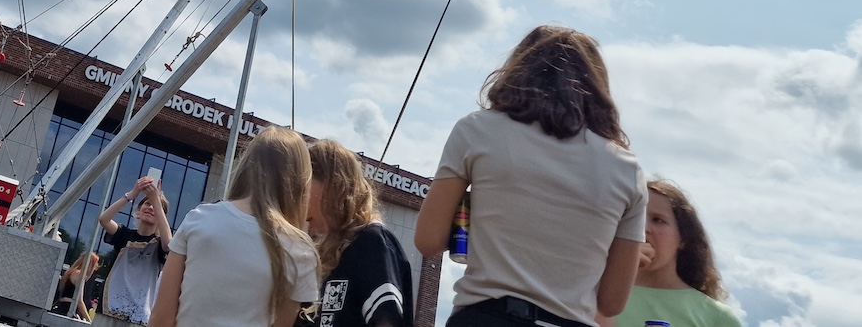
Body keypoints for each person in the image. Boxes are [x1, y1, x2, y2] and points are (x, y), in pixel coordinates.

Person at [415, 25, 647, 327]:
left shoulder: (477, 131)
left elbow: (428, 240)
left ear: (518, 69)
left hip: (487, 318)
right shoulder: (627, 169)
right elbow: (612, 302)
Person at [151, 126, 318, 327]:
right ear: (300, 179)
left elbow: (161, 318)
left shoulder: (200, 218)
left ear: (246, 166)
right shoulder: (300, 249)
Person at [300, 140, 413, 327]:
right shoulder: (325, 255)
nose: (298, 200)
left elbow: (386, 318)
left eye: (303, 188)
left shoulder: (371, 242)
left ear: (332, 185)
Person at [603, 181, 740, 327]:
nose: (643, 228)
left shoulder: (717, 317)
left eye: (658, 220)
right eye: (634, 218)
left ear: (683, 238)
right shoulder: (593, 298)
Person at [96, 175, 173, 327]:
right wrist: (132, 194)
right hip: (109, 308)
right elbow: (104, 219)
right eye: (147, 204)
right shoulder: (124, 235)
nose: (150, 207)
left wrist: (157, 199)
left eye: (155, 206)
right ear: (139, 210)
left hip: (139, 316)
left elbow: (170, 245)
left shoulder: (158, 244)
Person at [53, 251, 100, 321]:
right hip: (67, 312)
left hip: (62, 309)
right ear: (90, 265)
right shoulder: (79, 275)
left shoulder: (71, 272)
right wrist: (89, 322)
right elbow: (80, 302)